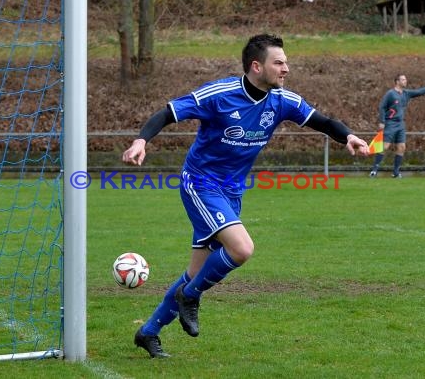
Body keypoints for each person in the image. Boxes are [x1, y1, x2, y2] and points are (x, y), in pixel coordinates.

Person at [122, 33, 369, 358]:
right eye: (278, 62)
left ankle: (149, 331)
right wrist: (142, 140)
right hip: (200, 183)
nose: (286, 69)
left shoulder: (282, 101)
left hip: (232, 191)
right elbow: (169, 112)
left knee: (196, 273)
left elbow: (321, 121)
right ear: (257, 66)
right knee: (242, 249)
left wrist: (347, 136)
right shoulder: (220, 94)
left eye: (286, 62)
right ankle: (191, 296)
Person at [369, 74, 425, 178]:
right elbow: (382, 107)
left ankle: (395, 173)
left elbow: (419, 92)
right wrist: (382, 121)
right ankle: (374, 170)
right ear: (397, 81)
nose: (405, 81)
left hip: (400, 124)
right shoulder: (390, 94)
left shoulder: (406, 93)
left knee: (401, 147)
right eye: (403, 79)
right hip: (390, 123)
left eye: (405, 79)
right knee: (384, 146)